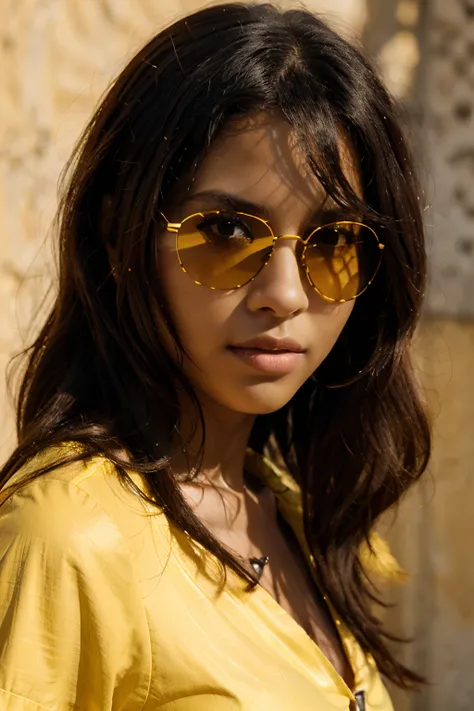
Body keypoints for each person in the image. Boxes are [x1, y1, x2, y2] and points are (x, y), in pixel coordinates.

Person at [0, 3, 431, 710]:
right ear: (121, 234)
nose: (285, 294)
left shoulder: (289, 510)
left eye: (334, 242)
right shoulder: (69, 539)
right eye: (226, 231)